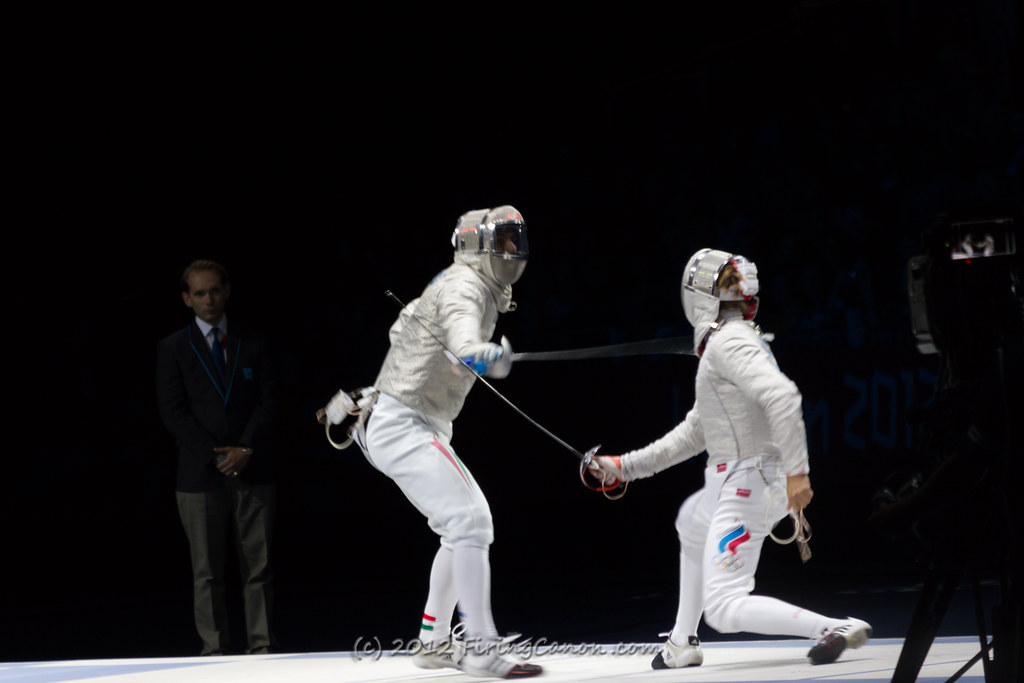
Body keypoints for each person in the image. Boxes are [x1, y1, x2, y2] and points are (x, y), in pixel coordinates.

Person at [589, 248, 872, 668]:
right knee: (690, 520)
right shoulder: (728, 344)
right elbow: (695, 432)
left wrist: (799, 474)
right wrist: (624, 466)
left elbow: (783, 395)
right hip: (733, 480)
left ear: (699, 296)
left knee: (722, 607)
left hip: (749, 481)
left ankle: (832, 627)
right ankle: (683, 642)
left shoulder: (730, 343)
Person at [317, 206, 542, 679]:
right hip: (402, 422)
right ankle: (481, 648)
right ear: (475, 245)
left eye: (512, 241)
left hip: (413, 421)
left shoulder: (467, 284)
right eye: (500, 242)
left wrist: (480, 355)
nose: (510, 251)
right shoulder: (465, 285)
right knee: (472, 519)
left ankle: (432, 643)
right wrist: (481, 354)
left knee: (456, 528)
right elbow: (462, 339)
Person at [156, 259, 280, 655]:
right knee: (207, 572)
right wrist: (218, 456)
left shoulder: (253, 342)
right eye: (199, 293)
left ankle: (261, 647)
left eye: (214, 291)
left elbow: (269, 401)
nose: (208, 299)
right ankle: (215, 652)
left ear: (226, 291)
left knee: (257, 568)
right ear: (186, 299)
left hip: (252, 467)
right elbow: (173, 411)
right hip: (199, 473)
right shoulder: (173, 347)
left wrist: (244, 449)